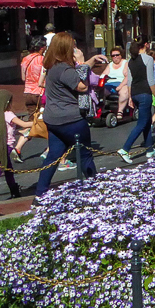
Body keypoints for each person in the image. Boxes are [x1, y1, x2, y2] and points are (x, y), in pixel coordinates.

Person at [33, 33, 102, 198]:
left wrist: (90, 61)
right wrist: (83, 61)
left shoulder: (52, 66)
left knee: (53, 156)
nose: (75, 49)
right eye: (73, 46)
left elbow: (77, 73)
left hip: (53, 119)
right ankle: (94, 190)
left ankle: (40, 194)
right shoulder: (63, 68)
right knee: (85, 154)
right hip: (71, 119)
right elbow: (82, 86)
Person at [118, 38, 155, 163]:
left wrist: (130, 97)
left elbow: (129, 81)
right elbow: (150, 80)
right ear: (145, 45)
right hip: (145, 93)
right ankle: (125, 149)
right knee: (141, 123)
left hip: (135, 93)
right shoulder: (148, 59)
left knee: (147, 120)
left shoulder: (130, 61)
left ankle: (150, 149)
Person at [14, 37, 46, 162]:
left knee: (33, 122)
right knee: (48, 121)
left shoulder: (25, 59)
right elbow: (44, 78)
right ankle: (50, 150)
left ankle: (18, 148)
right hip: (40, 93)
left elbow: (23, 77)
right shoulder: (43, 60)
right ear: (42, 48)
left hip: (28, 92)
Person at [99, 46, 130, 119]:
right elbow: (103, 75)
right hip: (109, 84)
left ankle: (120, 111)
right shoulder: (110, 65)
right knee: (99, 92)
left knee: (124, 91)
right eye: (113, 55)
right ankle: (100, 110)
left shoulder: (125, 63)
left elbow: (127, 77)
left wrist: (120, 87)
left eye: (117, 55)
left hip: (121, 83)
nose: (115, 57)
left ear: (121, 55)